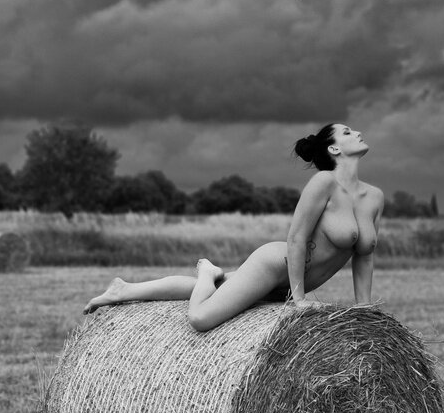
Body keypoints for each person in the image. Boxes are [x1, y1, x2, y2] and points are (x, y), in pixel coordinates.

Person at [84, 123, 383, 332]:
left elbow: (364, 257)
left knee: (223, 288)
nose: (358, 132)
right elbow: (296, 238)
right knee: (201, 318)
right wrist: (300, 299)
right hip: (276, 266)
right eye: (347, 132)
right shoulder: (324, 183)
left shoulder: (374, 197)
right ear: (334, 148)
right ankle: (206, 272)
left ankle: (124, 289)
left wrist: (365, 312)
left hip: (292, 283)